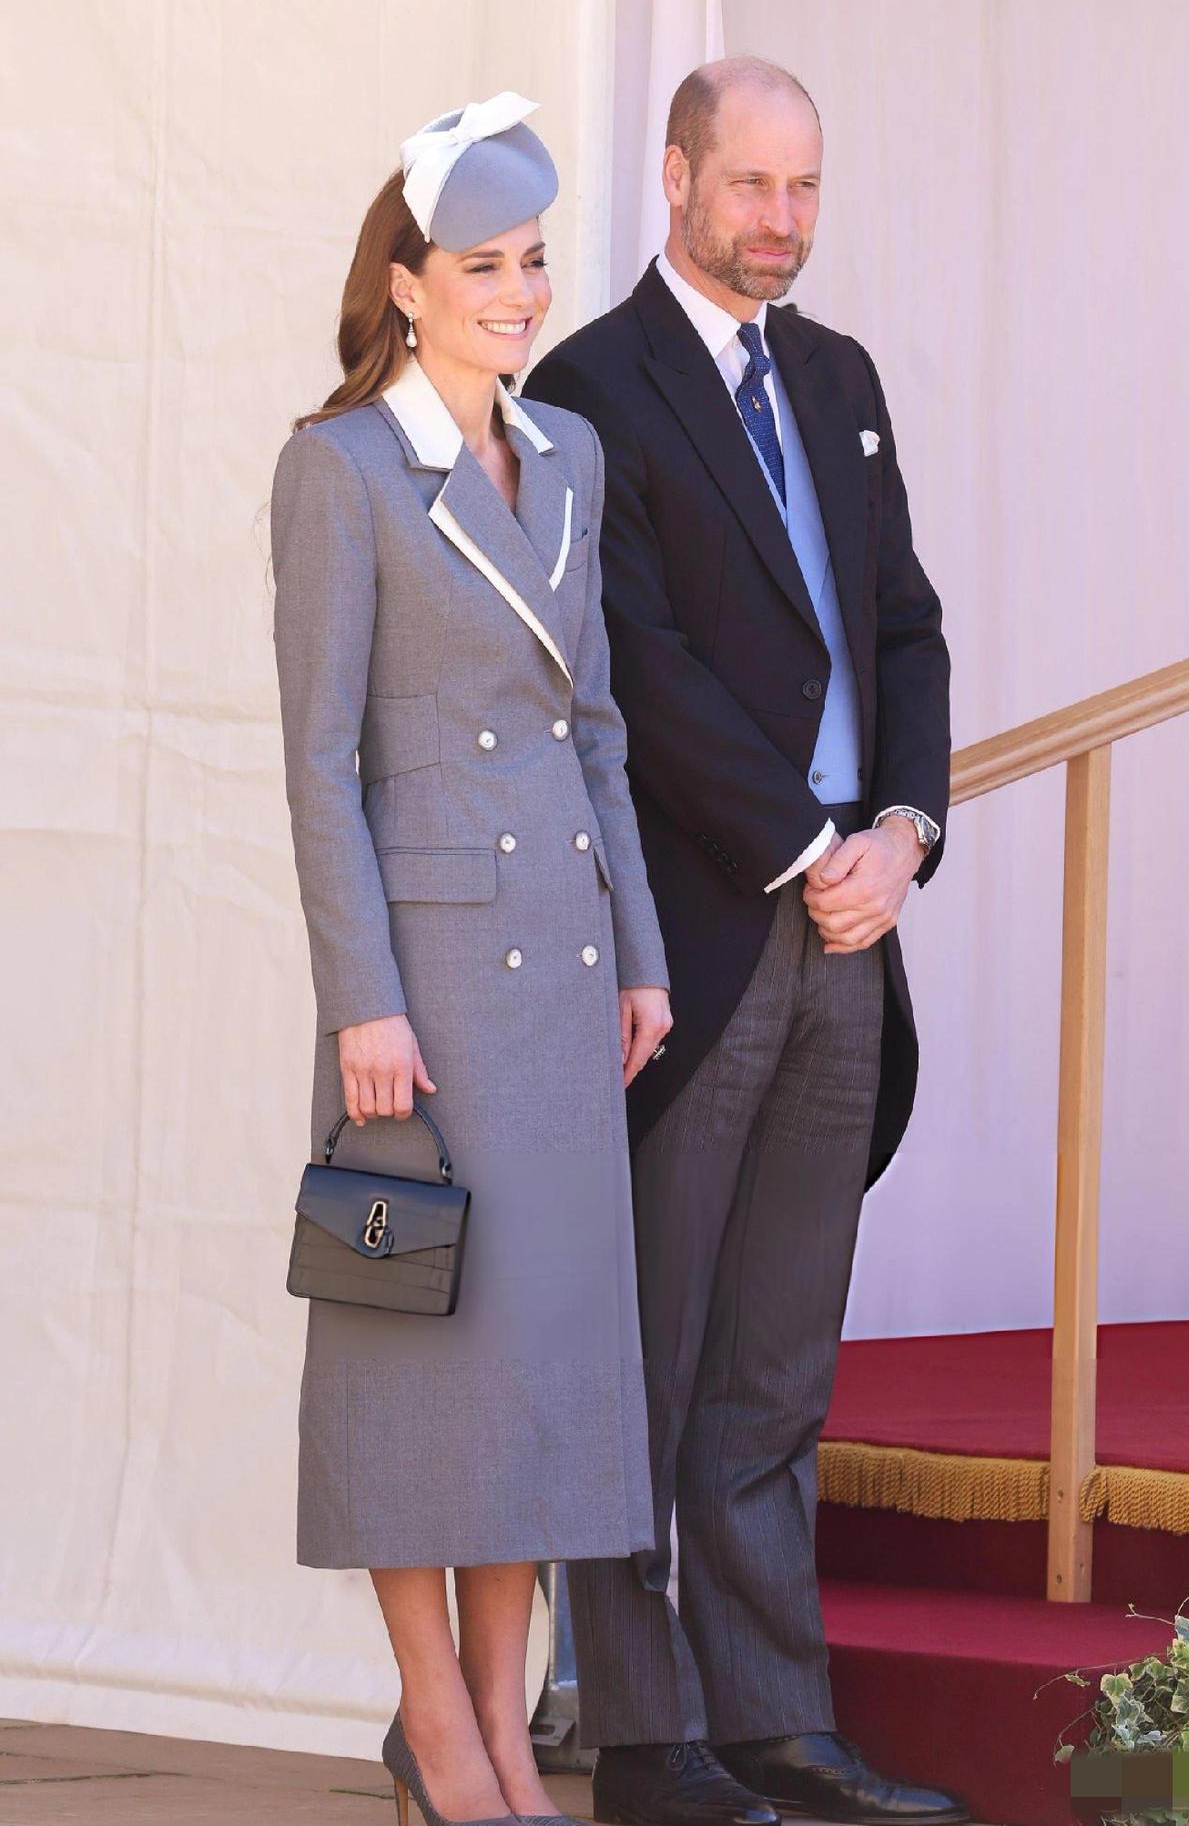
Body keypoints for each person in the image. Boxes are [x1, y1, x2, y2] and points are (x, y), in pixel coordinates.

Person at [522, 59, 968, 1826]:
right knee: (647, 1355)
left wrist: (905, 833)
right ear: (677, 177)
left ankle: (780, 1724)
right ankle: (646, 1741)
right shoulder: (589, 385)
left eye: (806, 188)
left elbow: (905, 630)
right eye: (751, 185)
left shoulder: (840, 379)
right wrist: (803, 844)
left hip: (853, 925)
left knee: (778, 1362)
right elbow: (631, 659)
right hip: (698, 935)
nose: (781, 221)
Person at [269, 92, 672, 1826]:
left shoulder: (567, 454)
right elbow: (320, 761)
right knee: (413, 1348)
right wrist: (360, 998)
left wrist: (639, 951)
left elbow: (599, 728)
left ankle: (509, 1737)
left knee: (535, 1370)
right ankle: (437, 1725)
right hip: (423, 992)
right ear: (407, 284)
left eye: (533, 262)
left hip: (563, 975)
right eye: (484, 266)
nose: (519, 294)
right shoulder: (342, 469)